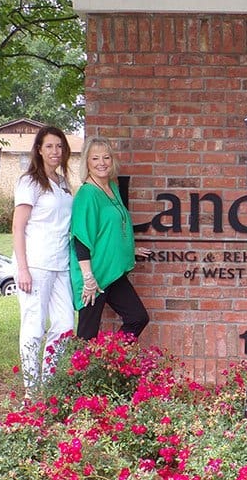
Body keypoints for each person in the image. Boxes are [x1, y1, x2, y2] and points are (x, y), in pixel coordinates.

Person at [12, 126, 75, 393]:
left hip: (60, 263)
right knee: (34, 326)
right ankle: (31, 390)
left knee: (65, 324)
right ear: (39, 149)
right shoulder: (30, 182)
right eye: (49, 146)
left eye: (59, 146)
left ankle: (48, 382)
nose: (55, 152)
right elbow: (17, 227)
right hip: (35, 263)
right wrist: (23, 269)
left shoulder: (63, 183)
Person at [70, 136, 149, 340]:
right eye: (95, 158)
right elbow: (81, 238)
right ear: (87, 162)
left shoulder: (112, 188)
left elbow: (112, 228)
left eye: (106, 157)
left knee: (137, 317)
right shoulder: (86, 194)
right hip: (94, 276)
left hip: (112, 272)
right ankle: (84, 371)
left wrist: (127, 249)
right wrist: (88, 278)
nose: (101, 163)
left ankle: (110, 362)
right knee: (86, 336)